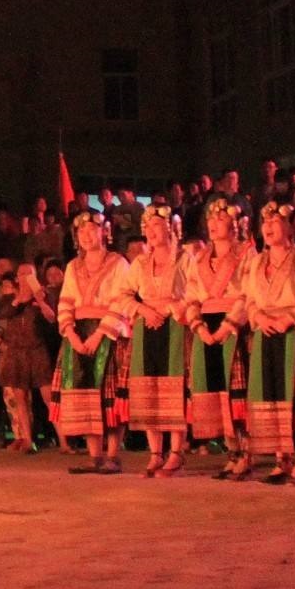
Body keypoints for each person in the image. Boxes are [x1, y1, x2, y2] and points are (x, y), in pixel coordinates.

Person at [235, 201, 295, 485]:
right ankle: (279, 458)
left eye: (275, 222)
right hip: (264, 333)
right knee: (269, 395)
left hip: (292, 333)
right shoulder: (257, 260)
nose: (269, 228)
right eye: (265, 223)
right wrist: (258, 316)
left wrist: (290, 319)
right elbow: (248, 299)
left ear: (291, 227)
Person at [53, 211, 132, 474]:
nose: (86, 236)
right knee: (84, 393)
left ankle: (112, 455)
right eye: (81, 232)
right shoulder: (73, 266)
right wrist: (72, 334)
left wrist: (99, 333)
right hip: (78, 333)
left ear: (104, 232)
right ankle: (94, 455)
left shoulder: (119, 263)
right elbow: (65, 301)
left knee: (108, 394)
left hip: (107, 333)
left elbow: (122, 300)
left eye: (91, 230)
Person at [182, 197, 251, 472]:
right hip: (206, 327)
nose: (213, 225)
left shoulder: (246, 254)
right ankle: (231, 451)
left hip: (233, 327)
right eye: (211, 220)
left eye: (221, 220)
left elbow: (248, 293)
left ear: (235, 225)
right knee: (214, 390)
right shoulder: (200, 258)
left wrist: (228, 325)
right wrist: (197, 325)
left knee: (235, 391)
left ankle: (246, 451)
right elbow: (191, 295)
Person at [124, 203, 190, 477]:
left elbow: (195, 291)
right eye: (148, 227)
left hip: (174, 325)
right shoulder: (140, 262)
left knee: (172, 386)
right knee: (148, 387)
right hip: (146, 326)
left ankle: (176, 451)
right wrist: (143, 310)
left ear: (171, 228)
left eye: (157, 226)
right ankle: (155, 452)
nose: (151, 232)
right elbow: (123, 294)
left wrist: (169, 307)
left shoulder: (185, 258)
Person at [0, 262, 52, 452]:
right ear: (17, 277)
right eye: (21, 273)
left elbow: (53, 318)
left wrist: (40, 301)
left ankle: (65, 440)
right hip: (17, 352)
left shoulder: (45, 296)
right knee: (20, 398)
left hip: (38, 351)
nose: (25, 276)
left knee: (49, 396)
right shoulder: (9, 298)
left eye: (30, 273)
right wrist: (19, 299)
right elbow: (2, 314)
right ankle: (27, 439)